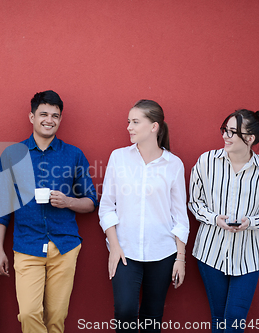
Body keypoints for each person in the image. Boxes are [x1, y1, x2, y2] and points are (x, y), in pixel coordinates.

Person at [0, 90, 97, 333]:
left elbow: (91, 202)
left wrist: (68, 201)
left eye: (55, 116)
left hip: (64, 246)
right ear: (31, 117)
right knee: (28, 313)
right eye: (44, 114)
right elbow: (1, 208)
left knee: (57, 317)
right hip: (27, 246)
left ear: (60, 119)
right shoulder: (12, 154)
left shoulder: (73, 154)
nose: (49, 120)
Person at [98, 100, 189, 333]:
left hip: (163, 252)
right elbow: (106, 207)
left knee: (152, 317)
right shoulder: (118, 158)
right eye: (129, 121)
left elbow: (180, 215)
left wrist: (180, 258)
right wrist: (115, 247)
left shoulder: (174, 164)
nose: (129, 127)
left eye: (135, 122)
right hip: (125, 251)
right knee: (126, 311)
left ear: (154, 127)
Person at [188, 109, 259, 333]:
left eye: (232, 132)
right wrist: (213, 218)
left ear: (249, 138)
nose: (225, 136)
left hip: (248, 255)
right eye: (224, 130)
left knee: (236, 317)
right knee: (219, 317)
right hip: (210, 252)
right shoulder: (206, 161)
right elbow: (194, 202)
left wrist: (251, 222)